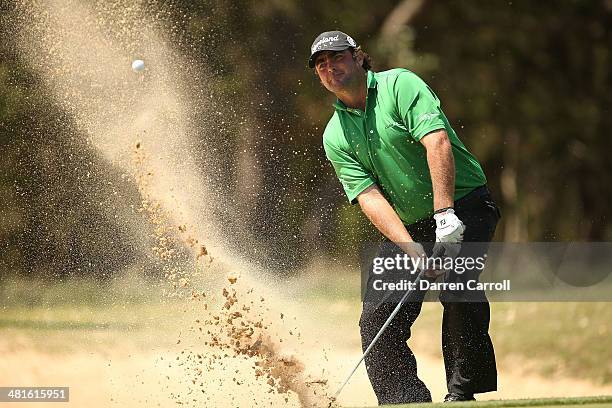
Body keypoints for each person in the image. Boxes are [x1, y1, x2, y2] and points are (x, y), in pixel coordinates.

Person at [308, 30, 501, 404]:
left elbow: (437, 142)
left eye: (337, 57)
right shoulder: (336, 134)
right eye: (321, 64)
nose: (330, 67)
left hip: (465, 203)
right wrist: (411, 249)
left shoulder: (400, 85)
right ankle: (405, 400)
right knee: (376, 318)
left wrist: (445, 214)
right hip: (409, 224)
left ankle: (462, 393)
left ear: (359, 57)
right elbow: (369, 196)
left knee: (456, 286)